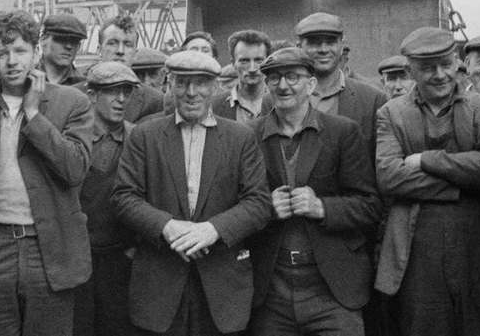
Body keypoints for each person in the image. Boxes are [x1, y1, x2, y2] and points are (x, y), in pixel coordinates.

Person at [0, 9, 94, 336]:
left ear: (36, 53)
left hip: (49, 251)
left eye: (20, 51)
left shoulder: (73, 102)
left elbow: (75, 169)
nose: (12, 61)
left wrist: (33, 115)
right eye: (2, 53)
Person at [112, 49, 272, 336]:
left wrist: (212, 230)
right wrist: (168, 227)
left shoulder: (240, 137)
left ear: (215, 87)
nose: (191, 92)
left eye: (200, 83)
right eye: (182, 83)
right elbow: (124, 197)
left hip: (222, 287)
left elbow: (258, 203)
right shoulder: (145, 135)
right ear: (169, 85)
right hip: (159, 287)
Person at [374, 26, 480, 336]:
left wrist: (427, 160)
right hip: (416, 247)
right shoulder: (391, 114)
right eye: (427, 68)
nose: (439, 75)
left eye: (445, 65)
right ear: (410, 70)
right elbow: (390, 177)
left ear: (456, 62)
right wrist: (464, 182)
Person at [249, 48, 381, 336]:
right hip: (271, 288)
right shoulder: (248, 136)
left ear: (311, 84)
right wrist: (266, 210)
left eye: (293, 77)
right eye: (274, 78)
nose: (283, 85)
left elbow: (370, 206)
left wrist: (322, 207)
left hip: (332, 288)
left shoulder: (342, 132)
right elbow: (233, 205)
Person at [74, 62, 141, 336]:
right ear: (92, 95)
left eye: (127, 91)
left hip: (121, 259)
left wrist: (135, 250)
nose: (121, 99)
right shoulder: (73, 138)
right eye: (113, 91)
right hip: (77, 259)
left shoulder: (139, 138)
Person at [295, 12, 388, 157]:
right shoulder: (277, 99)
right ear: (299, 47)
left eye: (331, 42)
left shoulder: (373, 100)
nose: (323, 49)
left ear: (342, 45)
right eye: (314, 42)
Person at [99, 15, 164, 122]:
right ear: (99, 50)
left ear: (135, 52)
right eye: (112, 43)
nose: (120, 51)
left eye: (127, 44)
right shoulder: (77, 95)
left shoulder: (155, 101)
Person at [213, 29, 272, 121]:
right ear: (233, 63)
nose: (252, 69)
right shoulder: (214, 107)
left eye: (258, 60)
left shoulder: (280, 102)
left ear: (268, 62)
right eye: (244, 61)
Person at [40, 13, 89, 86]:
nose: (68, 46)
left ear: (79, 46)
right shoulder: (26, 79)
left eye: (74, 41)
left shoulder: (84, 84)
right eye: (61, 39)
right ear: (43, 40)